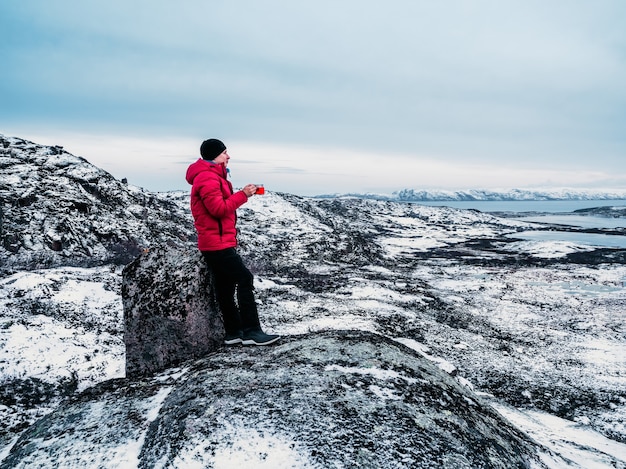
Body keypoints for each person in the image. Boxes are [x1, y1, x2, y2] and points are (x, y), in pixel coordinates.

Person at [185, 138, 280, 346]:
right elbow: (218, 209)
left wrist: (241, 194)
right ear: (214, 156)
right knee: (245, 278)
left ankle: (234, 333)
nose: (228, 156)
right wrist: (243, 195)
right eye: (225, 153)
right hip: (217, 243)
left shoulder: (213, 177)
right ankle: (252, 331)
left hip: (216, 242)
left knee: (226, 287)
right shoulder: (207, 178)